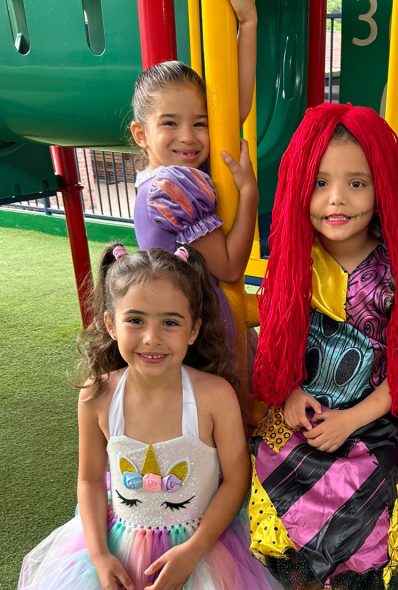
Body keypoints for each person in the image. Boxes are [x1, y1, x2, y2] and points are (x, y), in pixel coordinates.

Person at [0, 245, 310, 590]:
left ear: (193, 329)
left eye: (170, 322)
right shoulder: (97, 394)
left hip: (201, 545)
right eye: (135, 320)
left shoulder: (214, 395)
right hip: (117, 539)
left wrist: (193, 551)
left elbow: (236, 481)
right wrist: (99, 556)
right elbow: (89, 481)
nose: (151, 337)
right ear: (109, 323)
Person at [250, 103, 398, 590]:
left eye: (356, 182)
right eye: (321, 182)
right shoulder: (296, 256)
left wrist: (353, 420)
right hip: (305, 411)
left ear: (383, 187)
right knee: (280, 494)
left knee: (349, 510)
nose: (336, 199)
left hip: (372, 421)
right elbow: (280, 345)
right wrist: (290, 396)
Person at [130, 0, 258, 369]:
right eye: (170, 123)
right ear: (141, 134)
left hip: (188, 327)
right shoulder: (174, 188)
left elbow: (233, 112)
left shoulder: (153, 180)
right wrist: (249, 193)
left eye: (200, 123)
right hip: (206, 340)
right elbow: (230, 268)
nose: (188, 136)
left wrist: (247, 24)